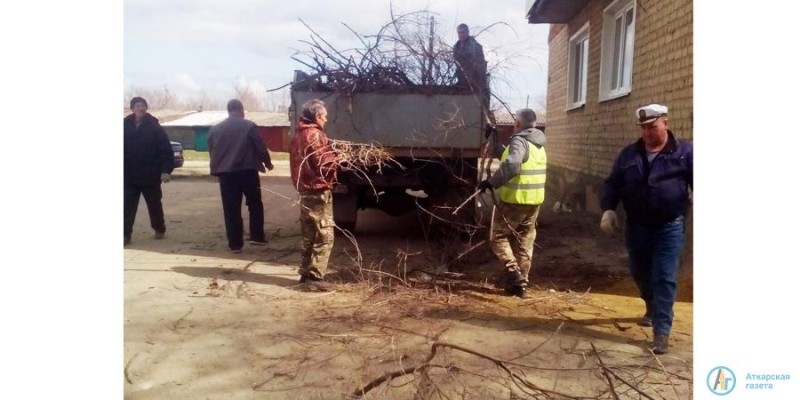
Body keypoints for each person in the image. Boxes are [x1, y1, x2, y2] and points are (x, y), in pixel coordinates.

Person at [600, 103, 693, 354]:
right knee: (640, 271)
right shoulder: (629, 154)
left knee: (664, 275)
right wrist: (608, 208)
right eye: (643, 128)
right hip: (637, 226)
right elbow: (612, 184)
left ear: (665, 122)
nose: (647, 133)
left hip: (669, 226)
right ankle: (651, 305)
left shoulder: (684, 152)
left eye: (651, 127)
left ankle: (661, 332)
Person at [478, 109, 546, 298]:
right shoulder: (538, 142)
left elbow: (514, 164)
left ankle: (513, 272)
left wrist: (491, 182)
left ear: (517, 124)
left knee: (497, 237)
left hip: (515, 200)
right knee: (525, 242)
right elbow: (510, 156)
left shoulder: (519, 140)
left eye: (515, 122)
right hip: (534, 201)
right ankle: (520, 286)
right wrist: (494, 140)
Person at [208, 99, 274, 253]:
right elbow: (260, 147)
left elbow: (213, 152)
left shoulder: (214, 129)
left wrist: (218, 168)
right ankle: (257, 236)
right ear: (240, 109)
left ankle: (235, 244)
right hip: (248, 171)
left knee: (231, 209)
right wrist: (268, 163)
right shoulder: (249, 126)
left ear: (228, 110)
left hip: (226, 174)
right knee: (255, 204)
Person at [289, 99, 338, 291]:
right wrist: (337, 157)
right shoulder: (315, 135)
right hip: (318, 189)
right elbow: (324, 164)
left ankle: (305, 274)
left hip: (304, 189)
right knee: (325, 234)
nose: (326, 120)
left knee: (309, 233)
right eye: (324, 116)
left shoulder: (297, 135)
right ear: (317, 116)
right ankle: (316, 277)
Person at [124, 96, 175, 246]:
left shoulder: (155, 128)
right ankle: (125, 235)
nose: (141, 108)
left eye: (143, 105)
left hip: (150, 175)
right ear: (132, 108)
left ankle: (159, 227)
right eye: (138, 105)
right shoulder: (124, 126)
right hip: (129, 175)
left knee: (154, 205)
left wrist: (166, 170)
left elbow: (165, 150)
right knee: (127, 206)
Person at [453, 23, 488, 101]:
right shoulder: (456, 47)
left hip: (473, 81)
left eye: (463, 32)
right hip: (461, 80)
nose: (461, 35)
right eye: (459, 33)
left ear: (467, 32)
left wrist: (474, 81)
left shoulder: (475, 46)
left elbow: (479, 66)